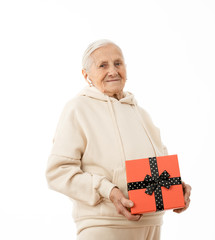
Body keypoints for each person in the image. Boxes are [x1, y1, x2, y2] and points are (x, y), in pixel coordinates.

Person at [46, 39, 191, 240]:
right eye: (103, 65)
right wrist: (108, 190)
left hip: (152, 226)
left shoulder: (141, 114)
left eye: (118, 63)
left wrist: (175, 187)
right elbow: (57, 172)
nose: (113, 71)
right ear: (86, 75)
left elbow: (158, 168)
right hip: (104, 226)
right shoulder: (78, 109)